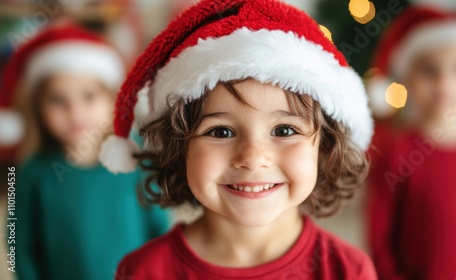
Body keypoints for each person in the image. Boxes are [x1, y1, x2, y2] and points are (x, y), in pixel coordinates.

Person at [98, 0, 376, 279]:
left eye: (284, 130)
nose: (253, 157)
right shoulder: (143, 272)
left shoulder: (350, 270)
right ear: (179, 147)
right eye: (221, 131)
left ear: (326, 145)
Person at [0, 23, 171, 280]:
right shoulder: (31, 171)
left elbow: (161, 232)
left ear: (112, 98)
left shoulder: (136, 158)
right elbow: (17, 241)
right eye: (57, 100)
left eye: (89, 96)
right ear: (38, 108)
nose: (75, 112)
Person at [366, 6, 456, 279]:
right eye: (429, 70)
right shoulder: (397, 152)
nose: (444, 82)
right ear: (409, 79)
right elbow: (379, 231)